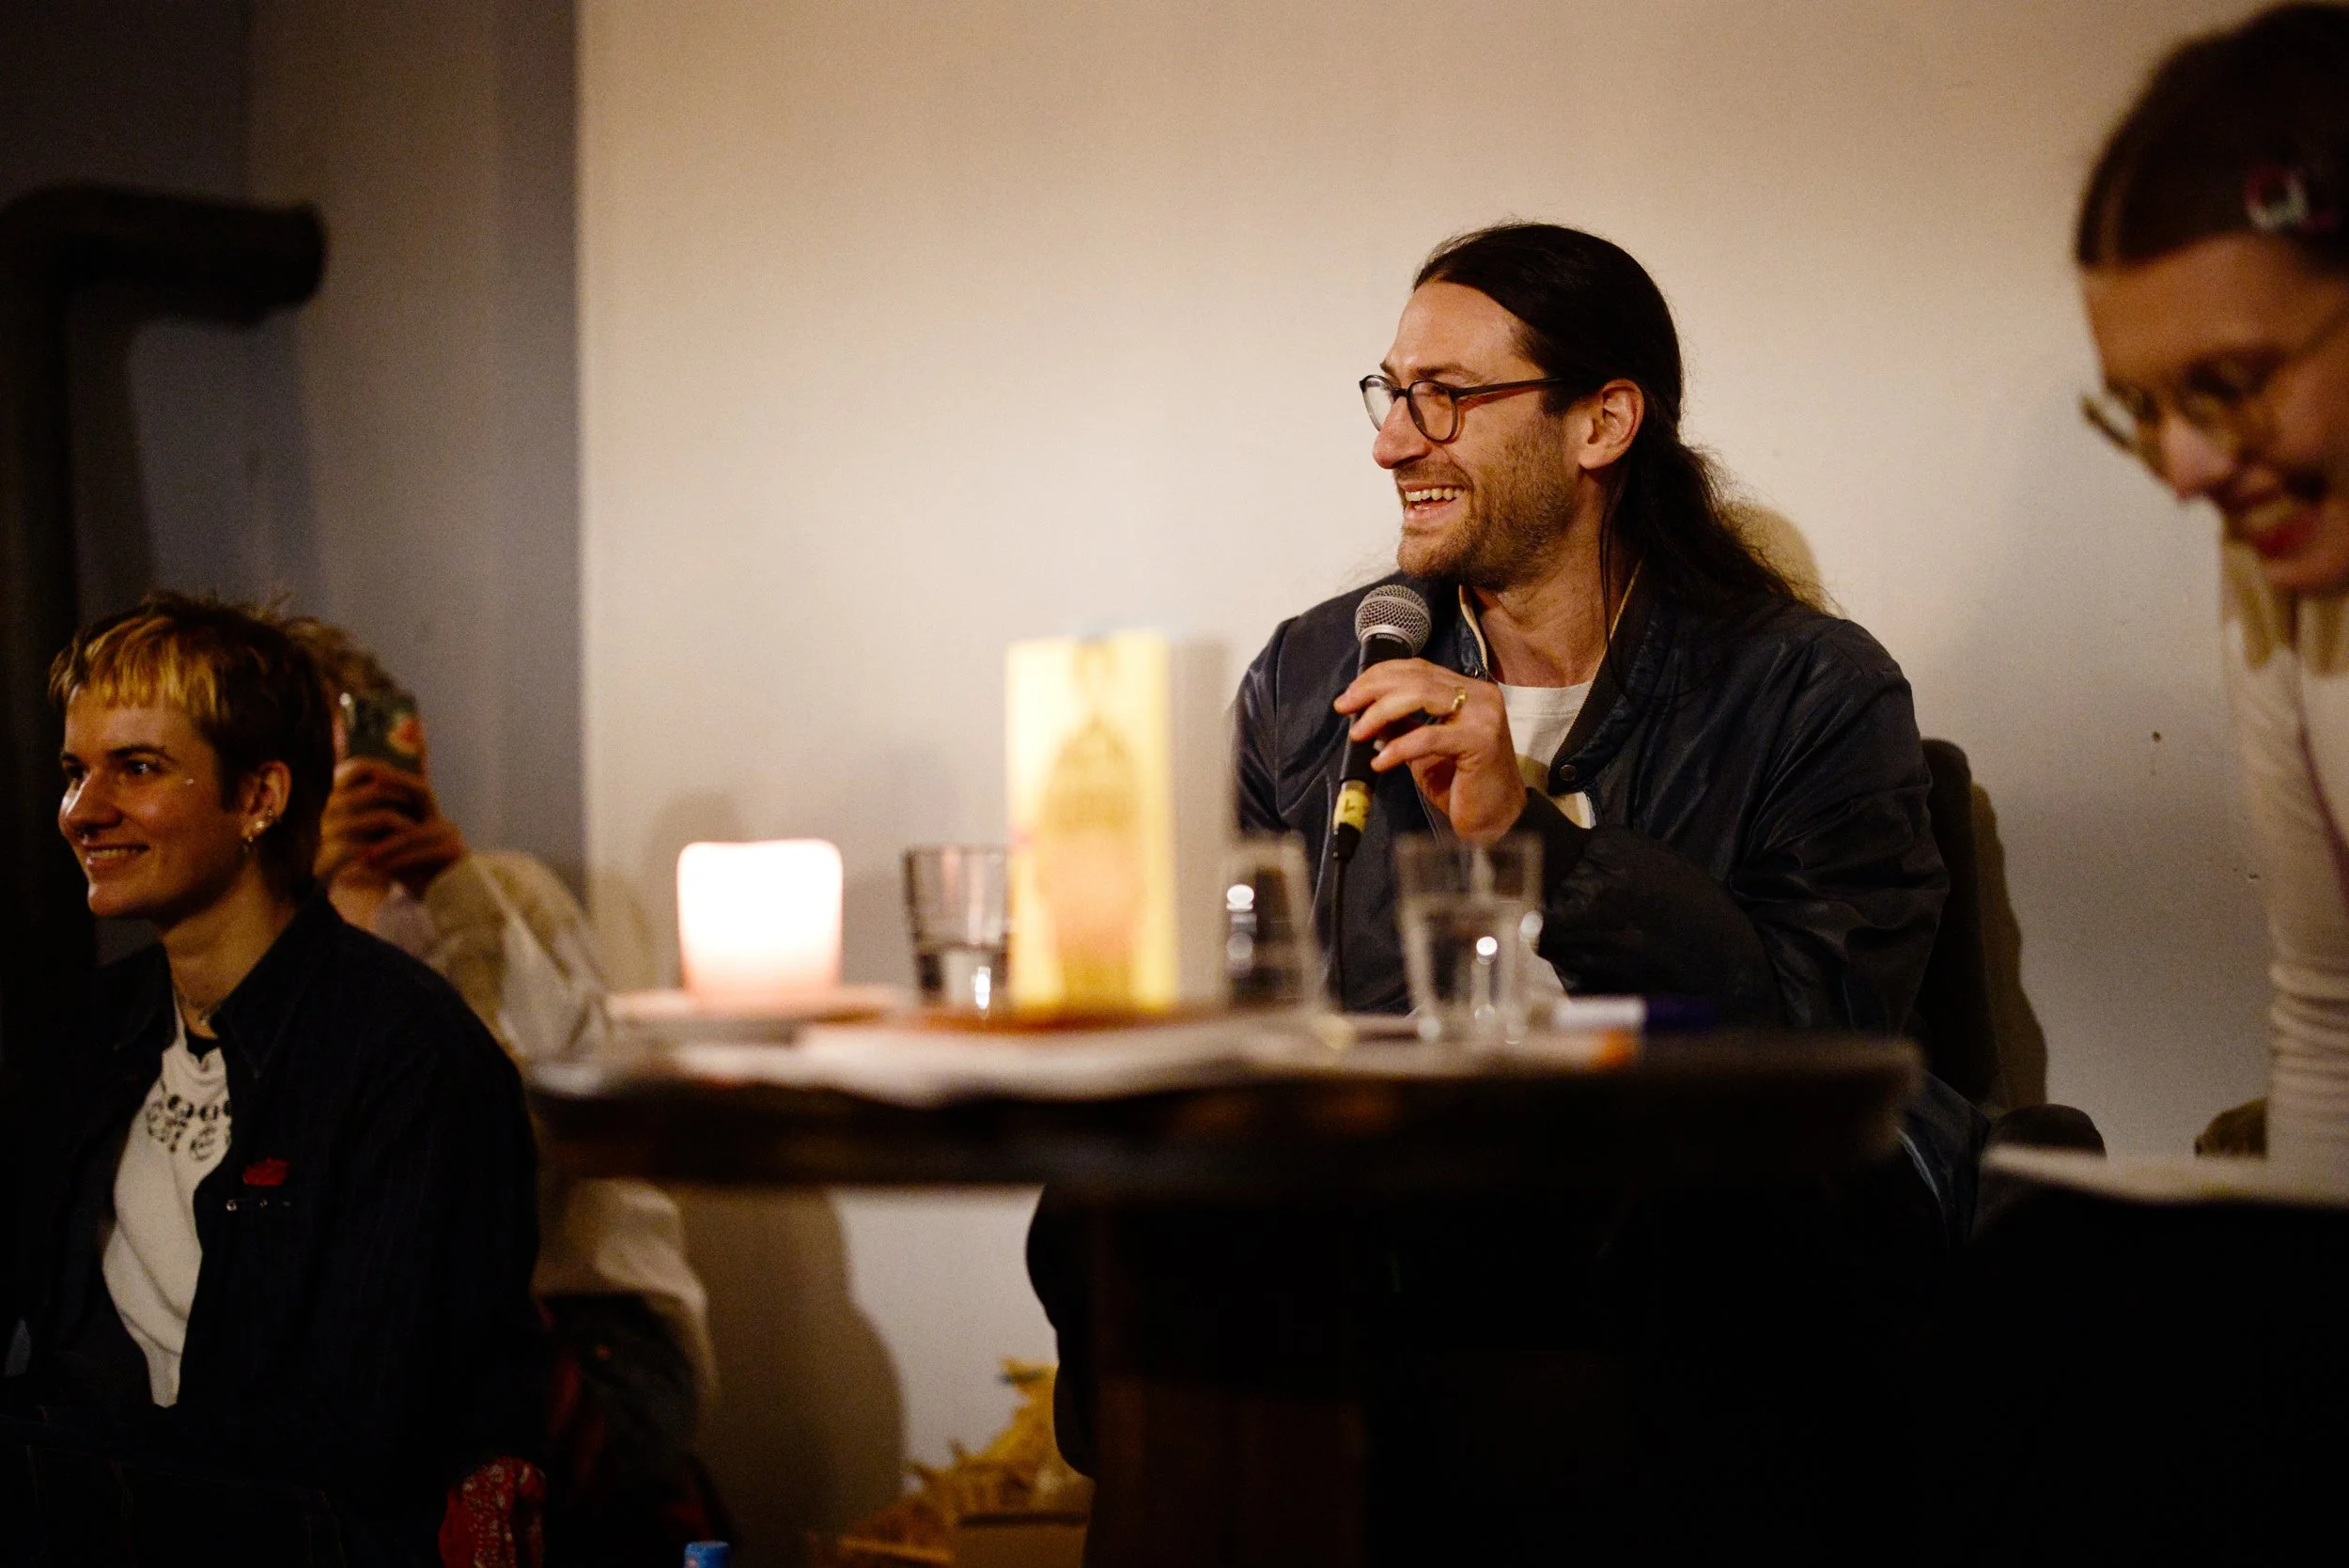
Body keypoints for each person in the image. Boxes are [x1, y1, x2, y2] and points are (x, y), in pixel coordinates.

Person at [1032, 224, 1970, 1559]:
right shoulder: (1313, 679)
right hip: (1384, 1227)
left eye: (1446, 398)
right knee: (1118, 1208)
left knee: (1695, 1253)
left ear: (1602, 423)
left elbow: (1823, 1035)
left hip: (1676, 1235)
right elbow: (1235, 998)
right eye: (1390, 393)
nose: (1391, 442)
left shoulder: (1808, 689)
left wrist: (1534, 840)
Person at [1, 593, 544, 1564]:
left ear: (260, 796)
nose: (83, 812)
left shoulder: (406, 1053)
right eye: (76, 772)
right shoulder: (87, 1031)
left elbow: (363, 1437)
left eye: (137, 767)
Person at [284, 617, 729, 1565]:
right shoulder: (263, 941)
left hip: (582, 1322)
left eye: (365, 746)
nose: (351, 782)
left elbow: (540, 1142)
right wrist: (301, 895)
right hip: (367, 1341)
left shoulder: (503, 896)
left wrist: (453, 896)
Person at [2075, 2, 2349, 1172]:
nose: (2183, 470)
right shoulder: (2281, 571)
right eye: (2142, 409)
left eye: (2227, 385)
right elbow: (2330, 1018)